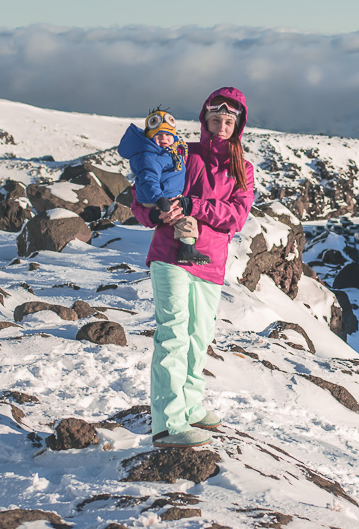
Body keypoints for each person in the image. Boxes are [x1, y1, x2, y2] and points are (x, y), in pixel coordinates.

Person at [129, 87, 254, 448]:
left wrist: (192, 204)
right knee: (173, 335)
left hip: (211, 261)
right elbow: (144, 195)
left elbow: (236, 217)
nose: (221, 126)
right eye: (215, 119)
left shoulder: (241, 169)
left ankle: (191, 406)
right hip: (172, 254)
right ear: (205, 120)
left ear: (238, 125)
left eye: (229, 121)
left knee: (199, 338)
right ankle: (167, 425)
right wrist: (154, 213)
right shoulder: (184, 155)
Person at [117, 107, 211, 265]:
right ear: (150, 136)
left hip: (163, 194)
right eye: (158, 135)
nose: (164, 138)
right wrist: (158, 198)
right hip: (157, 196)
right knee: (185, 218)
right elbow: (148, 179)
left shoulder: (167, 153)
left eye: (168, 134)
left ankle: (177, 250)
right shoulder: (150, 156)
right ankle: (187, 250)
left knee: (174, 219)